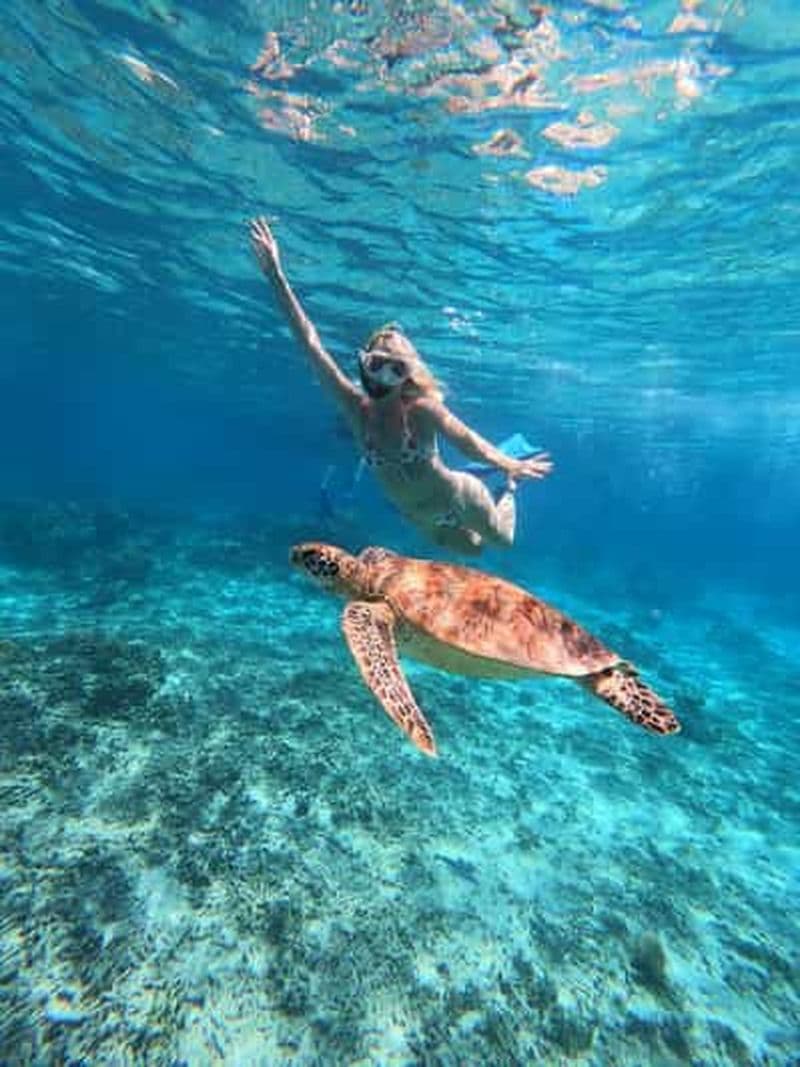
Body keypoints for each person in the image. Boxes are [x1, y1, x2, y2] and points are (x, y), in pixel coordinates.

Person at [249, 217, 553, 555]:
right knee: (473, 550)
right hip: (418, 516)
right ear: (364, 363)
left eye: (397, 371)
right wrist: (276, 276)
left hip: (459, 497)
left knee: (503, 543)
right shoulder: (355, 409)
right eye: (378, 366)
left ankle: (508, 489)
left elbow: (466, 439)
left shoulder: (420, 411)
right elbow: (309, 341)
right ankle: (489, 477)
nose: (384, 378)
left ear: (408, 377)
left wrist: (507, 466)